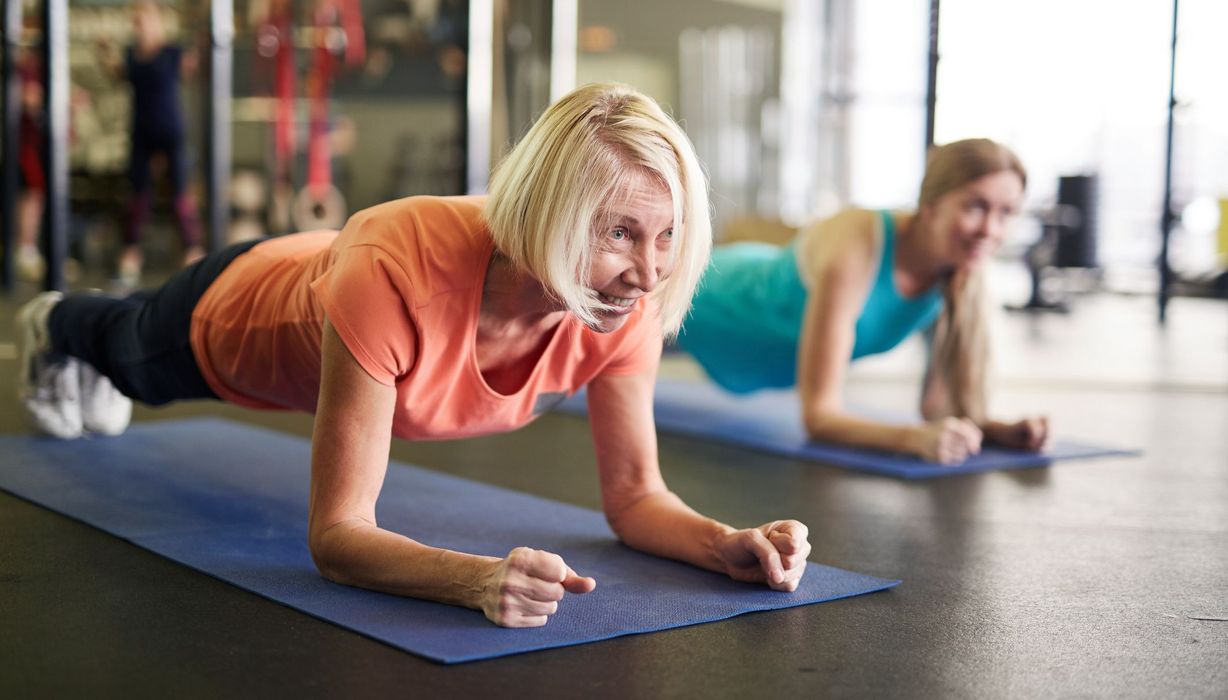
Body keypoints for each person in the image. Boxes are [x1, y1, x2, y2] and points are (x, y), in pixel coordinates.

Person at [16, 83, 811, 628]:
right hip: (236, 314)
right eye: (618, 233)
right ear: (550, 216)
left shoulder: (621, 299)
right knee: (128, 354)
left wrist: (724, 545)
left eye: (668, 234)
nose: (650, 270)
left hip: (332, 272)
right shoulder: (398, 274)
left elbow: (637, 497)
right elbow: (336, 536)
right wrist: (477, 579)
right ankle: (56, 323)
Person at [676, 138, 1050, 465]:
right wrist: (912, 440)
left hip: (754, 344)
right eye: (975, 207)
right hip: (713, 297)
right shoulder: (859, 244)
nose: (991, 230)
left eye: (1006, 213)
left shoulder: (956, 273)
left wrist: (995, 429)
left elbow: (936, 410)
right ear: (932, 205)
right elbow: (820, 417)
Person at [108, 0, 204, 284]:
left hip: (171, 131)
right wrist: (105, 56)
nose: (140, 27)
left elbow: (192, 67)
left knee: (180, 195)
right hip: (142, 132)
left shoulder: (173, 52)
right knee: (137, 196)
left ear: (157, 23)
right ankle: (130, 255)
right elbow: (120, 76)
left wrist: (201, 38)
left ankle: (192, 252)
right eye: (136, 22)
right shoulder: (131, 55)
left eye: (145, 21)